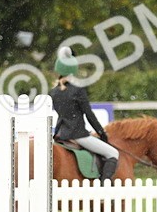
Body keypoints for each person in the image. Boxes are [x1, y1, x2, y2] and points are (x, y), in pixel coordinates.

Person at [48, 46, 120, 182]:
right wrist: (102, 133)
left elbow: (62, 115)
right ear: (73, 70)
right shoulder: (77, 91)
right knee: (113, 153)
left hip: (61, 135)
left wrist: (57, 133)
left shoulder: (54, 92)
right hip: (78, 135)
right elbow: (89, 115)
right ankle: (103, 189)